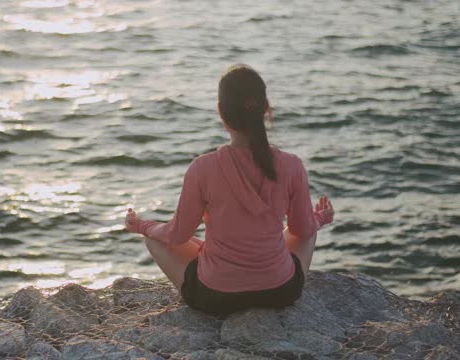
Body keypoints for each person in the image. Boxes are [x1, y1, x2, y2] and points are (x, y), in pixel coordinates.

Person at [124, 64, 334, 316]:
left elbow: (177, 235)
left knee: (155, 239)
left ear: (221, 112)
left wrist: (143, 226)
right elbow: (302, 230)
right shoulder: (292, 165)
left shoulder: (203, 168)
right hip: (280, 292)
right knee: (309, 231)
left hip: (215, 298)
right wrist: (320, 218)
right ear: (265, 109)